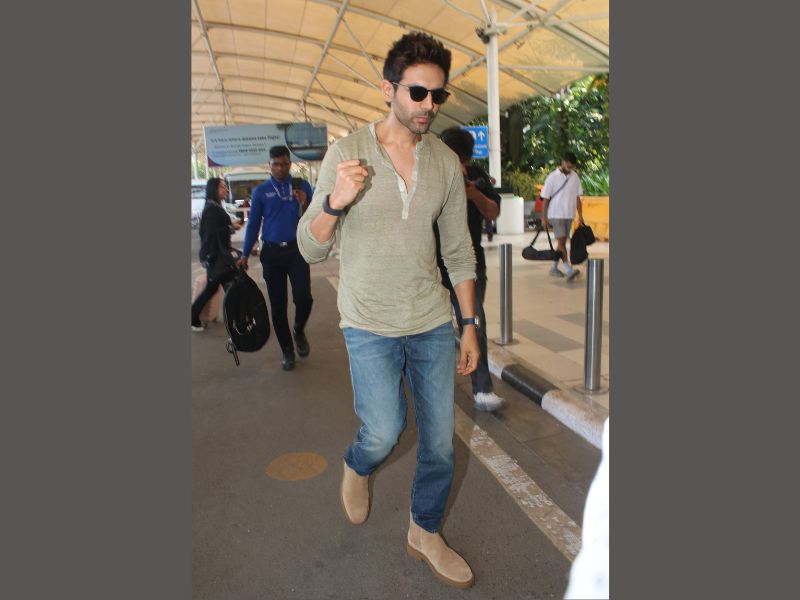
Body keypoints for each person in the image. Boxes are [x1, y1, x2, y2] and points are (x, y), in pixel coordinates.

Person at [296, 32, 479, 589]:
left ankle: (424, 531)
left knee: (440, 442)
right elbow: (309, 248)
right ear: (388, 89)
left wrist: (470, 325)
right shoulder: (346, 154)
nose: (429, 105)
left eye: (438, 96)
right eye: (418, 92)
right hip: (368, 321)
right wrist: (334, 203)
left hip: (429, 319)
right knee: (384, 430)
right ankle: (358, 464)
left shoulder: (444, 162)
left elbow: (458, 250)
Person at [436, 127, 505, 412]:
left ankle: (483, 389)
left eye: (460, 158)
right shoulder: (430, 174)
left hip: (470, 264)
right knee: (431, 328)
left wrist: (473, 193)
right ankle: (428, 383)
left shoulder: (476, 176)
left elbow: (493, 212)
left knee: (475, 322)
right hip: (431, 264)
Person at [238, 146, 315, 371]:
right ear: (269, 165)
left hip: (297, 250)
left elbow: (317, 215)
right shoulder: (261, 191)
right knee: (277, 305)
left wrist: (306, 202)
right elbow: (253, 224)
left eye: (284, 164)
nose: (280, 168)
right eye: (275, 164)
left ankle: (298, 330)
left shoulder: (302, 186)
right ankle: (287, 350)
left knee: (304, 298)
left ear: (290, 164)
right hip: (271, 253)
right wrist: (244, 254)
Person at [191, 178, 242, 331]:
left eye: (225, 186)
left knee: (216, 288)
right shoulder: (212, 209)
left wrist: (230, 227)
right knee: (231, 288)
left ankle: (238, 320)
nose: (226, 189)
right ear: (214, 189)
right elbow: (211, 234)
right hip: (217, 256)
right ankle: (239, 322)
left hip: (218, 256)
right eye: (222, 187)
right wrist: (231, 227)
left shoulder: (213, 206)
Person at [541, 151, 585, 281]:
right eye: (568, 166)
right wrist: (544, 217)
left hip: (569, 214)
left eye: (572, 167)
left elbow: (578, 198)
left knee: (562, 242)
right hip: (556, 214)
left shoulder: (575, 177)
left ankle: (554, 268)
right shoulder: (552, 177)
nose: (570, 169)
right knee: (561, 241)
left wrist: (580, 215)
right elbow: (545, 199)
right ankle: (568, 269)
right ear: (563, 162)